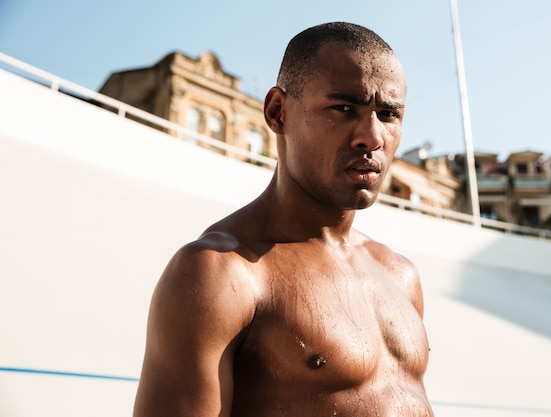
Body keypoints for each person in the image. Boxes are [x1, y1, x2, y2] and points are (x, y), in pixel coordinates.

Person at [133, 22, 434, 417]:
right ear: (278, 113)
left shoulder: (400, 275)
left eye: (388, 113)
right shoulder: (220, 274)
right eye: (344, 108)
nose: (372, 136)